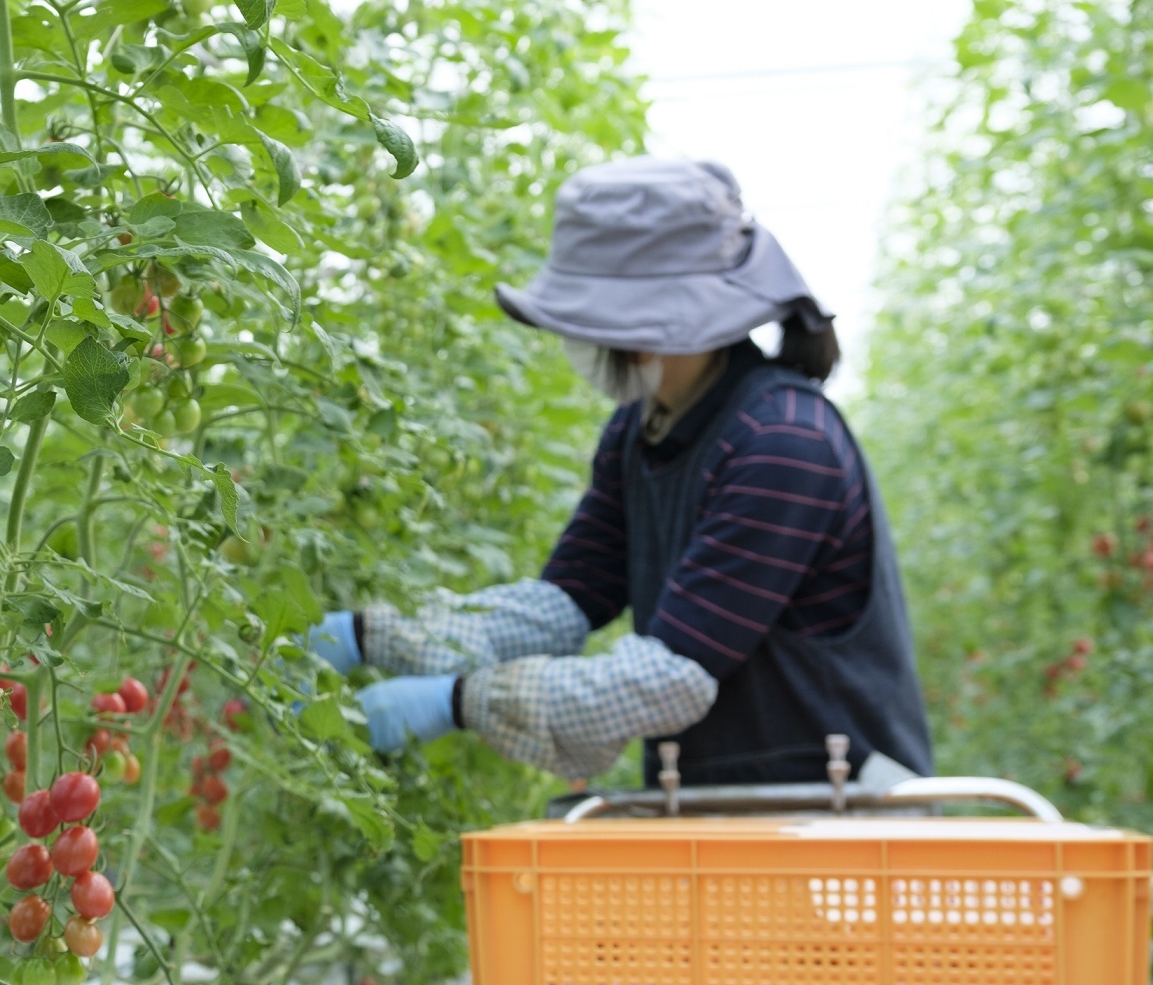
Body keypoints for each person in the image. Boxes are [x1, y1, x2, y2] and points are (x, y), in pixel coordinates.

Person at [309, 156, 933, 788]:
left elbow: (669, 676)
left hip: (836, 811)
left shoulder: (783, 443)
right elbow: (565, 602)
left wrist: (461, 700)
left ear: (651, 322)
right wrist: (372, 635)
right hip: (722, 803)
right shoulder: (642, 430)